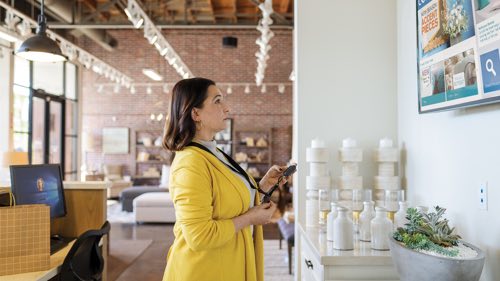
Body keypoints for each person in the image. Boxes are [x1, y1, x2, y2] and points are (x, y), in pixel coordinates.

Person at [162, 77, 289, 281]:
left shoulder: (213, 152)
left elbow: (228, 198)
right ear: (196, 113)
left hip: (225, 264)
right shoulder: (190, 164)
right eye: (217, 101)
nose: (227, 108)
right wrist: (250, 218)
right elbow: (200, 236)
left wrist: (264, 184)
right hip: (203, 271)